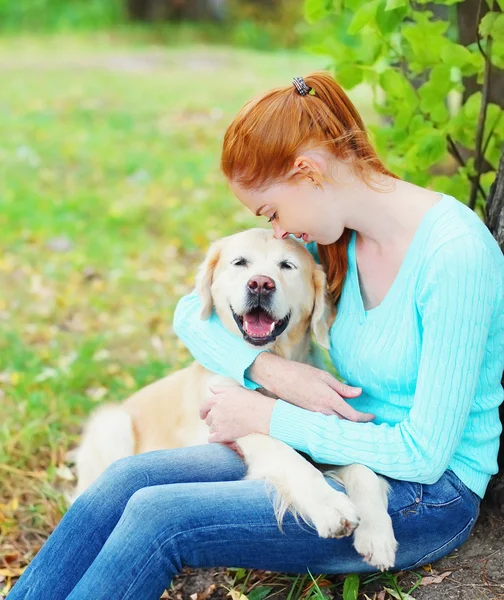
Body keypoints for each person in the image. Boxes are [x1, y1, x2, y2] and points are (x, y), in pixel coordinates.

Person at [9, 73, 503, 600]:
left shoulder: (455, 256)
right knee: (122, 481)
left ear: (309, 172)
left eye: (271, 211)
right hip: (342, 452)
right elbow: (189, 313)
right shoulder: (341, 240)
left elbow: (425, 455)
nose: (280, 233)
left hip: (426, 497)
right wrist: (268, 370)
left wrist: (270, 416)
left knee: (161, 516)